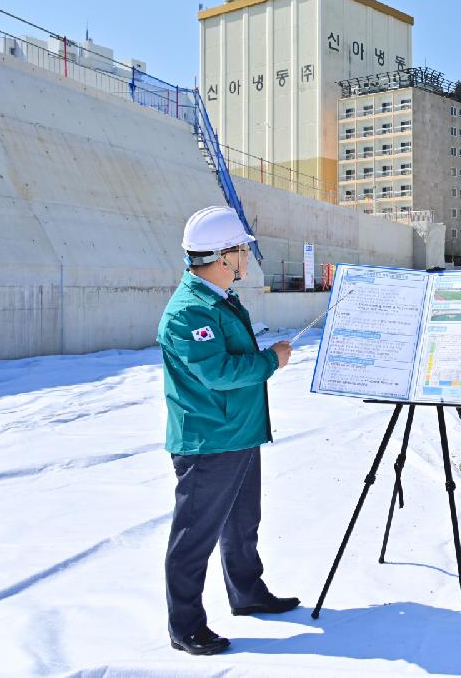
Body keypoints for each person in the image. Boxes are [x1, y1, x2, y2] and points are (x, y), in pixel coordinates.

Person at [158, 206, 297, 656]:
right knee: (193, 535)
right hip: (208, 441)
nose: (246, 257)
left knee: (242, 523)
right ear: (223, 256)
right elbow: (217, 372)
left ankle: (247, 592)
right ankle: (185, 626)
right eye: (242, 250)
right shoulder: (187, 312)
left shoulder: (220, 297)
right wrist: (271, 361)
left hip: (238, 432)